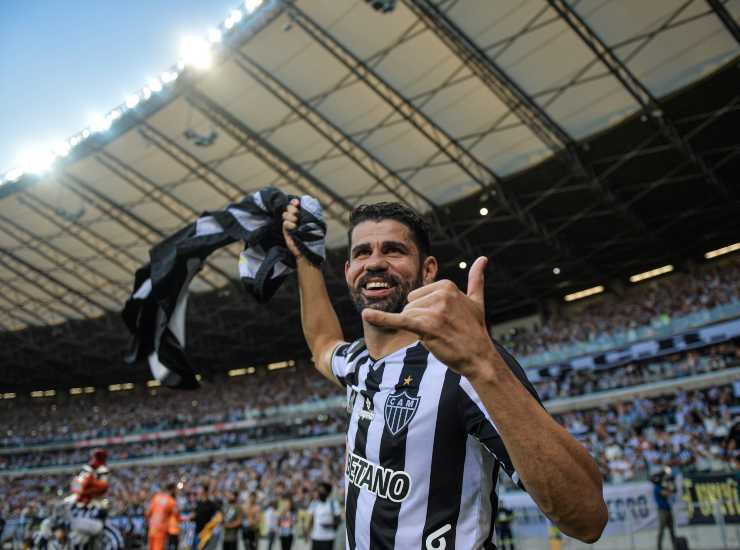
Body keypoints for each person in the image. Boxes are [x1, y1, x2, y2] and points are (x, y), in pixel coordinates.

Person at [282, 200, 607, 549]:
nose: (375, 262)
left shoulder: (466, 367)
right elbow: (322, 345)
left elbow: (587, 518)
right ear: (348, 270)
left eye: (393, 250)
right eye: (362, 252)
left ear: (428, 269)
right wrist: (306, 260)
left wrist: (485, 364)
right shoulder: (358, 362)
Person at [306, 482, 340, 550]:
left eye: (322, 490)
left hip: (328, 538)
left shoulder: (333, 503)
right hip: (316, 537)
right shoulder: (314, 503)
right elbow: (310, 519)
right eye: (319, 490)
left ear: (328, 492)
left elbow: (338, 520)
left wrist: (330, 525)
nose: (320, 492)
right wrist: (307, 532)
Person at [146, 482, 179, 550]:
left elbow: (147, 513)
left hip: (152, 528)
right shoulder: (171, 501)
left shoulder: (156, 497)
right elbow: (177, 515)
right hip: (160, 530)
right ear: (172, 490)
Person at [652, 467, 677, 550]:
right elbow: (666, 494)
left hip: (668, 509)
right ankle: (659, 547)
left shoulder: (662, 486)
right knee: (661, 530)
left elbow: (673, 491)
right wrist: (669, 487)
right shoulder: (657, 487)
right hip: (662, 510)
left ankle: (675, 546)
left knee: (672, 530)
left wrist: (671, 484)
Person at [191, 484, 221, 550]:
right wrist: (192, 517)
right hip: (197, 531)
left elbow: (218, 515)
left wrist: (212, 525)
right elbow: (193, 515)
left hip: (206, 533)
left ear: (204, 492)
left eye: (200, 491)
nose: (198, 493)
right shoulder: (198, 503)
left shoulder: (211, 504)